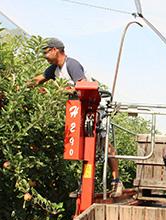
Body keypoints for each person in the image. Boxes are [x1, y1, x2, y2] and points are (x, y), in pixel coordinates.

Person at [30, 38, 124, 197]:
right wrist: (20, 85)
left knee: (103, 143)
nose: (44, 55)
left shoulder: (71, 64)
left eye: (46, 52)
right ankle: (84, 184)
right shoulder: (54, 69)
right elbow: (39, 80)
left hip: (95, 108)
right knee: (81, 146)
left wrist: (61, 90)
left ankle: (117, 181)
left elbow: (82, 87)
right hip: (79, 109)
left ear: (55, 50)